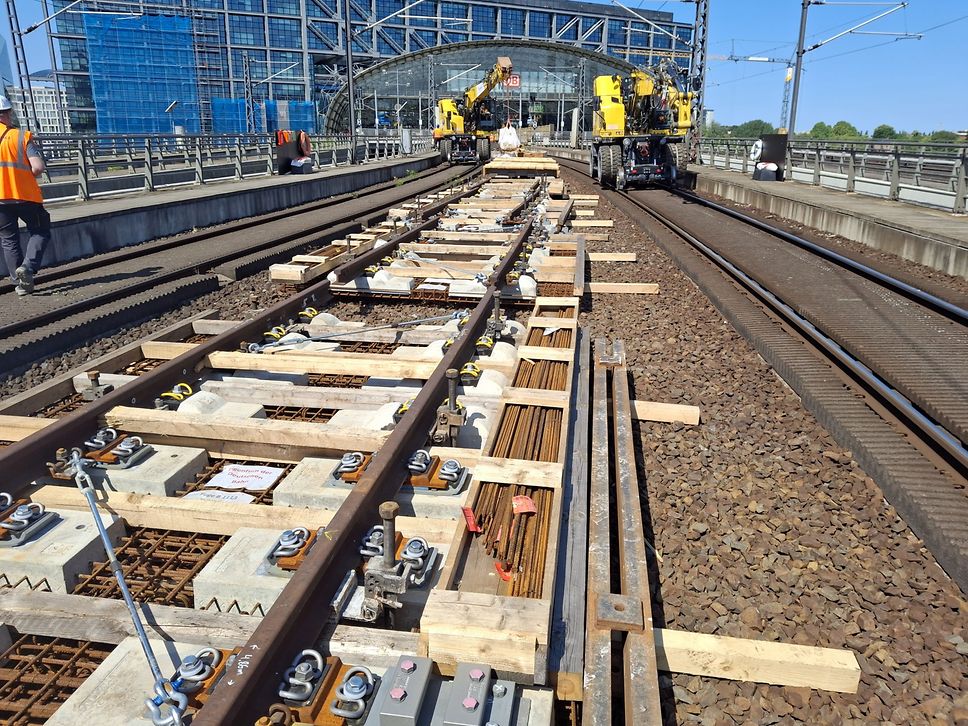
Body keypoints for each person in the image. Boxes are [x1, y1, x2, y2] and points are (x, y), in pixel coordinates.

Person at [0, 95, 50, 296]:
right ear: (8, 113)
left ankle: (20, 285)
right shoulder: (21, 136)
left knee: (9, 240)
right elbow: (37, 167)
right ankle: (28, 267)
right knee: (40, 230)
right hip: (25, 195)